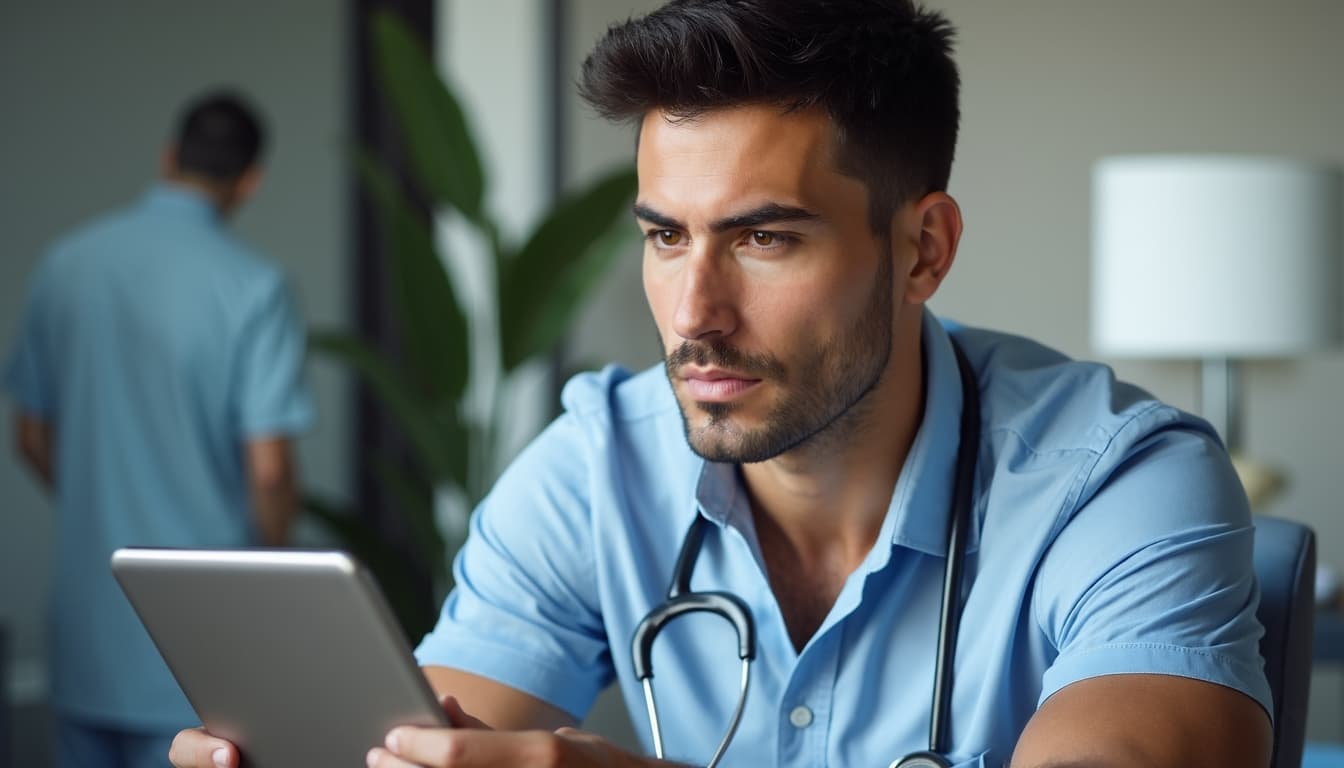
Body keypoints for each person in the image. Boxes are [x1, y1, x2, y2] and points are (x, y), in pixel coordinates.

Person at [172, 2, 1273, 766]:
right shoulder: (595, 466)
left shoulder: (1123, 481)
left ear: (923, 248)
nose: (694, 312)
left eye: (764, 239)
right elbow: (426, 734)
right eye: (664, 236)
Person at [5, 89, 314, 767]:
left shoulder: (67, 262)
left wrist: (102, 501)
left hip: (90, 624)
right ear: (251, 180)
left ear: (169, 157)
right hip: (201, 634)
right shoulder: (254, 286)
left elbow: (29, 436)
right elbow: (270, 469)